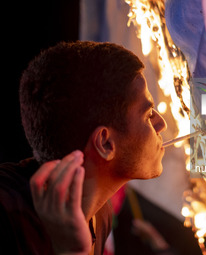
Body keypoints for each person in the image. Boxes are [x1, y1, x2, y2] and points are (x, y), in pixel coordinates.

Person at [0, 40, 167, 255]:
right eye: (148, 114)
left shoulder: (100, 214)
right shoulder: (7, 217)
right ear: (105, 143)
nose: (161, 123)